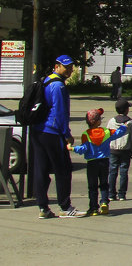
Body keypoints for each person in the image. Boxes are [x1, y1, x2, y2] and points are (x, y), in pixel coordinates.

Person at [31, 55, 83, 219]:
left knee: (41, 169)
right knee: (63, 169)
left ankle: (43, 207)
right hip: (53, 132)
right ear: (57, 66)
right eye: (66, 67)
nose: (69, 70)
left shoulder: (46, 81)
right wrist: (67, 135)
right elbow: (60, 113)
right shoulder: (59, 86)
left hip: (38, 131)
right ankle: (65, 206)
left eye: (71, 67)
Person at [72, 108, 129, 216]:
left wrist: (73, 148)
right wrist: (124, 126)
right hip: (104, 161)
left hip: (91, 163)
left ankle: (93, 208)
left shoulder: (86, 134)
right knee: (103, 184)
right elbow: (119, 133)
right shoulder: (106, 132)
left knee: (92, 186)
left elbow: (83, 148)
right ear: (98, 121)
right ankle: (104, 202)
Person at [106, 98, 132, 202]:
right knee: (124, 171)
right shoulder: (131, 123)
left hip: (113, 149)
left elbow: (107, 135)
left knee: (112, 171)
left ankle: (111, 194)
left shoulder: (111, 121)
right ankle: (122, 194)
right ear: (126, 110)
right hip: (125, 150)